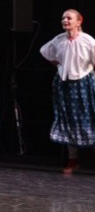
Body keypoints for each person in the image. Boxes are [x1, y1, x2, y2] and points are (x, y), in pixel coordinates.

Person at [40, 9, 95, 174]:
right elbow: (46, 53)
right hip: (65, 84)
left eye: (69, 18)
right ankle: (73, 158)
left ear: (79, 22)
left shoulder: (88, 41)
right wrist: (60, 65)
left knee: (90, 118)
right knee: (69, 120)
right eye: (63, 18)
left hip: (84, 83)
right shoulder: (58, 40)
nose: (65, 20)